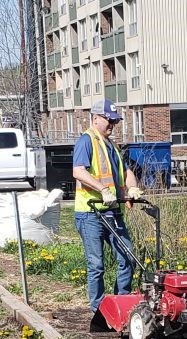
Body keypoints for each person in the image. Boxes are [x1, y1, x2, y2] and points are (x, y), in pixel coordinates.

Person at [73, 99, 143, 313]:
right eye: (109, 120)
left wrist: (132, 188)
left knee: (128, 257)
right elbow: (78, 171)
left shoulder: (112, 146)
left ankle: (121, 302)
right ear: (95, 118)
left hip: (113, 212)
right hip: (90, 213)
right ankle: (99, 309)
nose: (112, 124)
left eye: (115, 121)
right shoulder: (86, 141)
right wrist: (102, 190)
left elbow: (127, 172)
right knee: (96, 265)